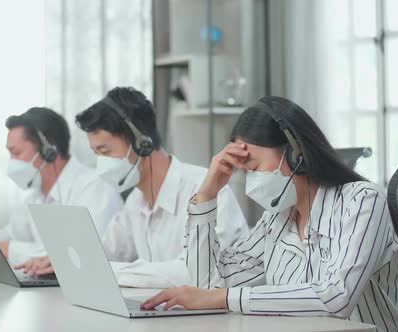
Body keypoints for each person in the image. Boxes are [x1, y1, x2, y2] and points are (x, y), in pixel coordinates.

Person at [141, 96, 398, 332]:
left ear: (296, 155)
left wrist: (225, 299)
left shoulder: (362, 201)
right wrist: (206, 195)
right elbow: (206, 287)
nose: (249, 179)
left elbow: (335, 297)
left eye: (252, 165)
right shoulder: (276, 218)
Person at [21, 87, 248, 287]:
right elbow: (106, 253)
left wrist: (108, 271)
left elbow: (194, 273)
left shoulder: (207, 190)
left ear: (142, 143)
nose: (101, 164)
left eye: (106, 152)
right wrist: (64, 261)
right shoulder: (135, 202)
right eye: (96, 153)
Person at [0, 107, 124, 266]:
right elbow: (12, 233)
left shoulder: (95, 187)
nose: (12, 162)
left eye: (17, 153)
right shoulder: (36, 195)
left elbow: (84, 254)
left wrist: (3, 249)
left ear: (49, 150)